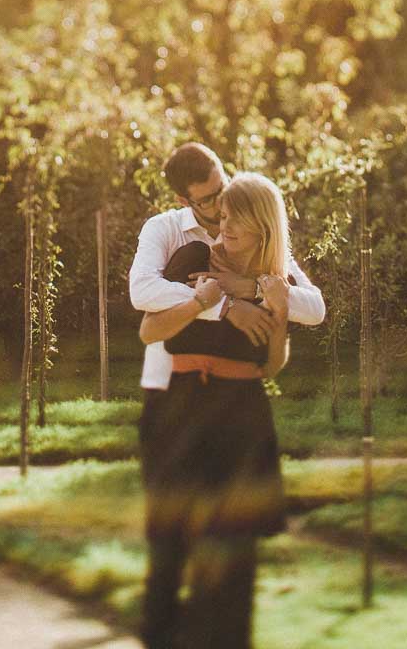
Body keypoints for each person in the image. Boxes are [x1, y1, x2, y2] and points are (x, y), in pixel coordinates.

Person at [128, 145, 323, 648]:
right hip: (175, 397)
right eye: (211, 202)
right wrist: (220, 303)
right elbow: (144, 305)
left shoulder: (263, 258)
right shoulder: (175, 239)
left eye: (226, 195)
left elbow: (308, 312)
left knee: (233, 556)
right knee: (170, 546)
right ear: (184, 199)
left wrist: (257, 293)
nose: (220, 212)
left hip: (241, 413)